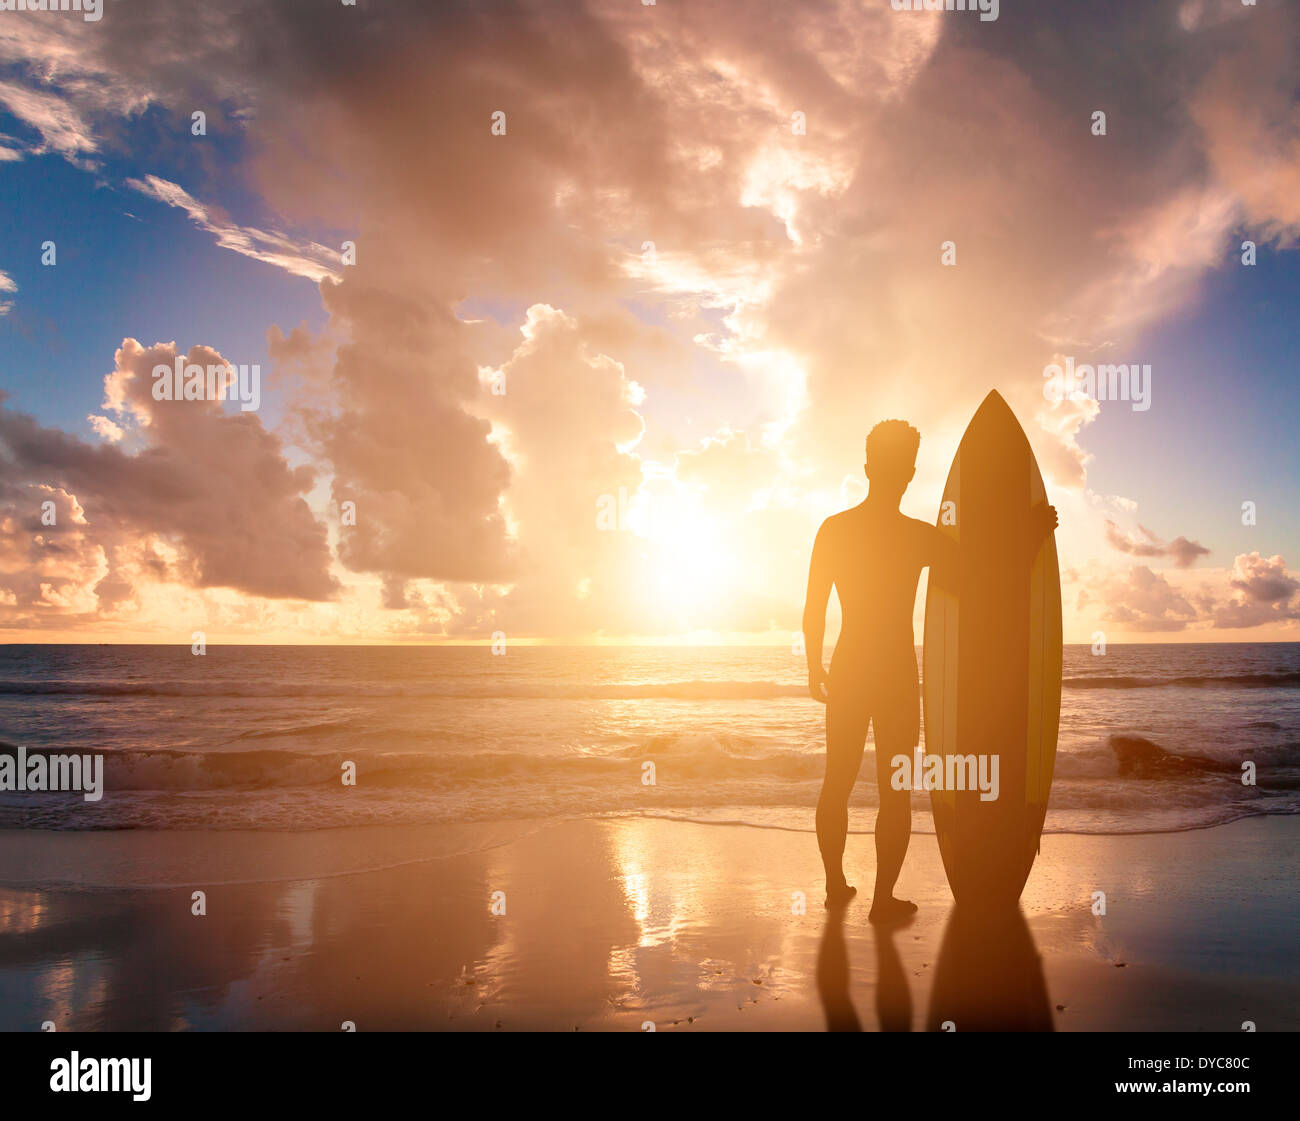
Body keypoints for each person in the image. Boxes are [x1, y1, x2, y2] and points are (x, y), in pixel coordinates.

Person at [802, 419, 1054, 921]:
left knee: (838, 782)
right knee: (896, 789)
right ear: (911, 473)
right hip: (895, 672)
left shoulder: (834, 529)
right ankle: (880, 903)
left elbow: (813, 610)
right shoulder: (917, 537)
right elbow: (981, 582)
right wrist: (1029, 538)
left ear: (869, 467)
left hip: (850, 666)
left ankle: (834, 886)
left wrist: (814, 666)